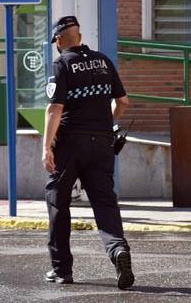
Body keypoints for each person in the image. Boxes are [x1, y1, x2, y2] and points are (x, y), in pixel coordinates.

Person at [42, 15, 134, 290]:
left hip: (71, 143)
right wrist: (106, 121)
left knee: (59, 202)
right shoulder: (104, 61)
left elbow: (54, 108)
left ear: (59, 41)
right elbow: (123, 102)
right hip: (103, 142)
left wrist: (46, 146)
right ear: (79, 38)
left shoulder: (61, 64)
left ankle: (62, 270)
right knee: (105, 203)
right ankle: (118, 249)